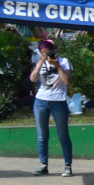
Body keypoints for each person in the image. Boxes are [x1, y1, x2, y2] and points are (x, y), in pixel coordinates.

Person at [29, 38, 74, 177]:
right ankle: (43, 165)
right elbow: (32, 79)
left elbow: (66, 81)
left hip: (58, 101)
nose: (46, 55)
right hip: (41, 101)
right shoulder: (39, 61)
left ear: (54, 51)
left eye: (48, 53)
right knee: (42, 135)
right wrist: (41, 62)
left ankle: (67, 167)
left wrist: (58, 65)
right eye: (43, 53)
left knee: (63, 135)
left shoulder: (64, 61)